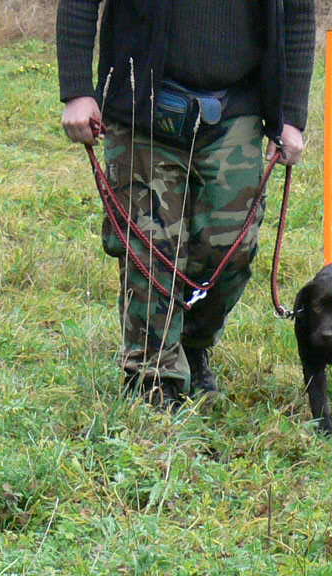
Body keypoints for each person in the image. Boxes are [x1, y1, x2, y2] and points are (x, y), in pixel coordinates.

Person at [56, 0, 315, 409]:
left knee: (230, 248)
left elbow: (298, 14)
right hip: (142, 103)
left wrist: (291, 115)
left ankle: (192, 346)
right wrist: (76, 90)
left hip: (237, 109)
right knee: (149, 248)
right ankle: (154, 379)